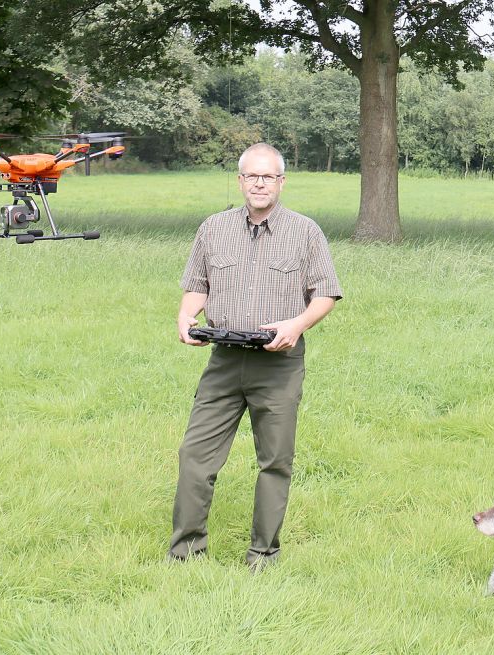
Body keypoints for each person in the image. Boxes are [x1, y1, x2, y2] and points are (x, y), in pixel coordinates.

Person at [168, 143, 343, 569]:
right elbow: (197, 285)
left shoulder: (305, 232)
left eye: (269, 176)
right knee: (195, 457)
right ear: (240, 181)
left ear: (281, 182)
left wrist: (296, 325)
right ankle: (186, 553)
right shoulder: (214, 228)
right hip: (224, 361)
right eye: (252, 176)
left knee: (275, 462)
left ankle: (263, 554)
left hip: (278, 366)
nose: (260, 183)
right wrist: (186, 316)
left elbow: (325, 293)